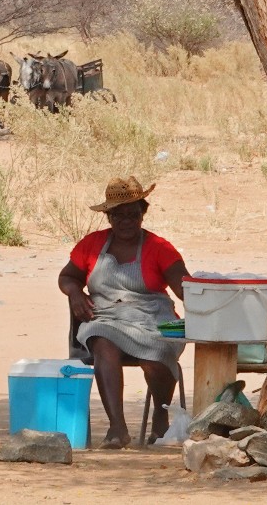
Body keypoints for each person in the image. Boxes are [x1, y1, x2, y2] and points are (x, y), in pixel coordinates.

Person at [57, 176, 188, 448]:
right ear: (108, 217)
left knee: (159, 352)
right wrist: (74, 293)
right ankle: (117, 428)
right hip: (106, 316)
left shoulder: (159, 248)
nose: (125, 221)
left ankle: (161, 416)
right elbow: (68, 276)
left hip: (152, 317)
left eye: (132, 214)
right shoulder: (92, 244)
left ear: (143, 213)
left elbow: (182, 285)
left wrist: (205, 298)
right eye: (118, 215)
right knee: (102, 341)